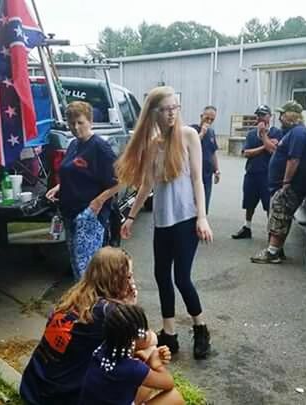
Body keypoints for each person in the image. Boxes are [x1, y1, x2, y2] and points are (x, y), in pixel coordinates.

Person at [117, 86, 213, 360]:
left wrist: (202, 217)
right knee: (162, 277)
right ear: (154, 112)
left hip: (187, 219)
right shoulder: (152, 145)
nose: (172, 113)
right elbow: (146, 185)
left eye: (175, 108)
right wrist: (131, 216)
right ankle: (169, 334)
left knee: (182, 278)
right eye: (166, 109)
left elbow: (197, 179)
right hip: (163, 221)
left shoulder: (189, 136)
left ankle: (201, 329)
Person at [19, 247, 140, 405]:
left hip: (33, 389)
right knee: (143, 369)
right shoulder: (108, 312)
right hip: (59, 398)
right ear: (115, 279)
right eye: (129, 277)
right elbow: (144, 341)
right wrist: (130, 307)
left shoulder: (76, 296)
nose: (132, 283)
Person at [45, 101, 120, 279]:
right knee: (77, 267)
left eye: (80, 122)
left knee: (86, 268)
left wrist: (97, 202)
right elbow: (73, 172)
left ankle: (93, 305)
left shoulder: (100, 148)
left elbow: (120, 181)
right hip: (70, 213)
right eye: (72, 123)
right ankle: (84, 304)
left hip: (89, 215)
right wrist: (58, 187)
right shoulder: (73, 145)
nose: (76, 127)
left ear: (90, 121)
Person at [79, 303, 185, 405]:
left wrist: (144, 359)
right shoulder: (133, 368)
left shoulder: (104, 349)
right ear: (131, 340)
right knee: (174, 397)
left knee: (146, 381)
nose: (149, 332)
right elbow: (169, 383)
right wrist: (156, 365)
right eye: (144, 331)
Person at [251, 101, 306, 264]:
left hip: (290, 186)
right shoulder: (292, 133)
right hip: (282, 185)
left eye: (283, 114)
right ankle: (278, 250)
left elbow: (293, 159)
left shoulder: (299, 133)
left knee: (279, 215)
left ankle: (272, 253)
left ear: (292, 116)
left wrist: (286, 183)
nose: (280, 118)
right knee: (281, 216)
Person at [231, 105, 283, 240]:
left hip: (268, 175)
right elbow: (246, 153)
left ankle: (271, 233)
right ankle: (247, 227)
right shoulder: (251, 134)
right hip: (252, 173)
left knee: (269, 206)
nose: (260, 118)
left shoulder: (277, 132)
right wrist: (264, 145)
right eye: (258, 115)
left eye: (263, 114)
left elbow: (273, 150)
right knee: (249, 203)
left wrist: (265, 136)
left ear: (270, 117)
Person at [190, 106, 220, 214]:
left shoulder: (211, 132)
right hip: (193, 174)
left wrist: (217, 170)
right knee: (192, 204)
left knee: (204, 204)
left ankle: (201, 222)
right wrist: (202, 133)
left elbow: (213, 152)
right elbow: (189, 146)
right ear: (201, 116)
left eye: (212, 119)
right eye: (207, 118)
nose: (209, 121)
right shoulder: (192, 130)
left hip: (207, 175)